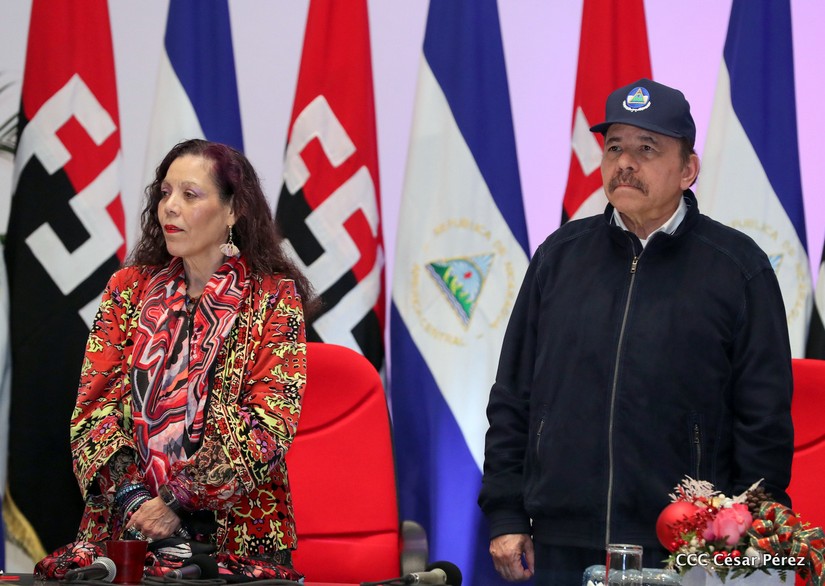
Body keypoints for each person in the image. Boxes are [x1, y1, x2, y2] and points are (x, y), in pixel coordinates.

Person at [478, 79, 794, 585]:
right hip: (560, 542)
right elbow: (513, 397)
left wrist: (744, 533)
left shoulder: (737, 269)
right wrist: (506, 513)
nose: (625, 162)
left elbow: (764, 419)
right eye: (614, 148)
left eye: (647, 149)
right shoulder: (558, 258)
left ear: (688, 170)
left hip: (688, 546)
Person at [43, 139, 317, 580]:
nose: (170, 206)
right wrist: (137, 501)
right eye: (165, 193)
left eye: (190, 195)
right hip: (127, 532)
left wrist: (176, 500)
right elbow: (94, 413)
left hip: (234, 540)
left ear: (233, 210)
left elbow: (269, 424)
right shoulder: (127, 289)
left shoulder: (272, 297)